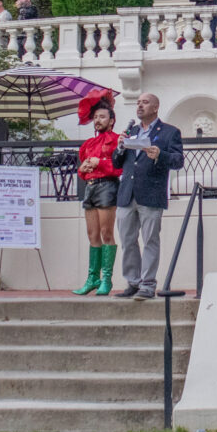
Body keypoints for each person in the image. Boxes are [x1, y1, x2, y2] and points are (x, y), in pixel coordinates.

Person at [111, 93, 184, 300]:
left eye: (144, 102)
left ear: (155, 107)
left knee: (150, 240)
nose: (139, 106)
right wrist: (119, 146)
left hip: (151, 193)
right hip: (127, 193)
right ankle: (133, 282)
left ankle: (148, 285)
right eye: (138, 103)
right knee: (127, 240)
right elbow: (117, 164)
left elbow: (178, 161)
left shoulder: (170, 132)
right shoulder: (130, 132)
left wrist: (160, 155)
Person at [72, 89, 122, 296]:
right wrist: (82, 170)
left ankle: (107, 279)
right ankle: (93, 277)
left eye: (102, 117)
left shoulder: (118, 140)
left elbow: (119, 167)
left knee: (106, 233)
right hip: (90, 188)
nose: (97, 120)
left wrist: (99, 162)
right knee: (92, 234)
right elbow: (83, 170)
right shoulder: (88, 145)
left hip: (108, 186)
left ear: (112, 120)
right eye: (95, 117)